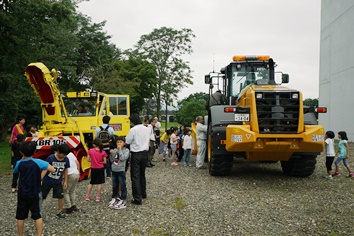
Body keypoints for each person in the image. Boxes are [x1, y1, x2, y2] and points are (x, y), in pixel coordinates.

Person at [13, 141, 55, 236]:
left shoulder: (18, 163)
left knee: (20, 216)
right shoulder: (38, 162)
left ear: (21, 151)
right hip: (35, 192)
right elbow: (52, 169)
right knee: (37, 215)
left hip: (22, 193)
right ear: (35, 151)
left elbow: (15, 171)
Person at [125, 113, 150, 205]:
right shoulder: (147, 129)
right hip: (145, 153)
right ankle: (143, 193)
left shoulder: (133, 129)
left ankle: (137, 198)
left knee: (135, 175)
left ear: (132, 121)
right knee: (142, 174)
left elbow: (127, 141)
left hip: (136, 153)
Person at [41, 143, 71, 218]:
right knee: (41, 196)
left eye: (65, 155)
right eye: (63, 155)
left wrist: (65, 181)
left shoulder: (66, 159)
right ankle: (37, 210)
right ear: (58, 152)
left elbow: (65, 170)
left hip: (57, 181)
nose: (64, 156)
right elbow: (45, 168)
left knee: (60, 196)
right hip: (47, 181)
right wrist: (40, 178)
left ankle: (60, 211)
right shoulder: (51, 158)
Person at [108, 136, 130, 210]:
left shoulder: (126, 150)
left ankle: (123, 198)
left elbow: (123, 158)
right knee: (115, 184)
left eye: (121, 142)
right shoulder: (114, 150)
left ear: (124, 143)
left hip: (121, 170)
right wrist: (111, 154)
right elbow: (112, 160)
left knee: (122, 184)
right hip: (114, 169)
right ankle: (114, 197)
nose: (119, 143)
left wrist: (120, 150)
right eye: (118, 142)